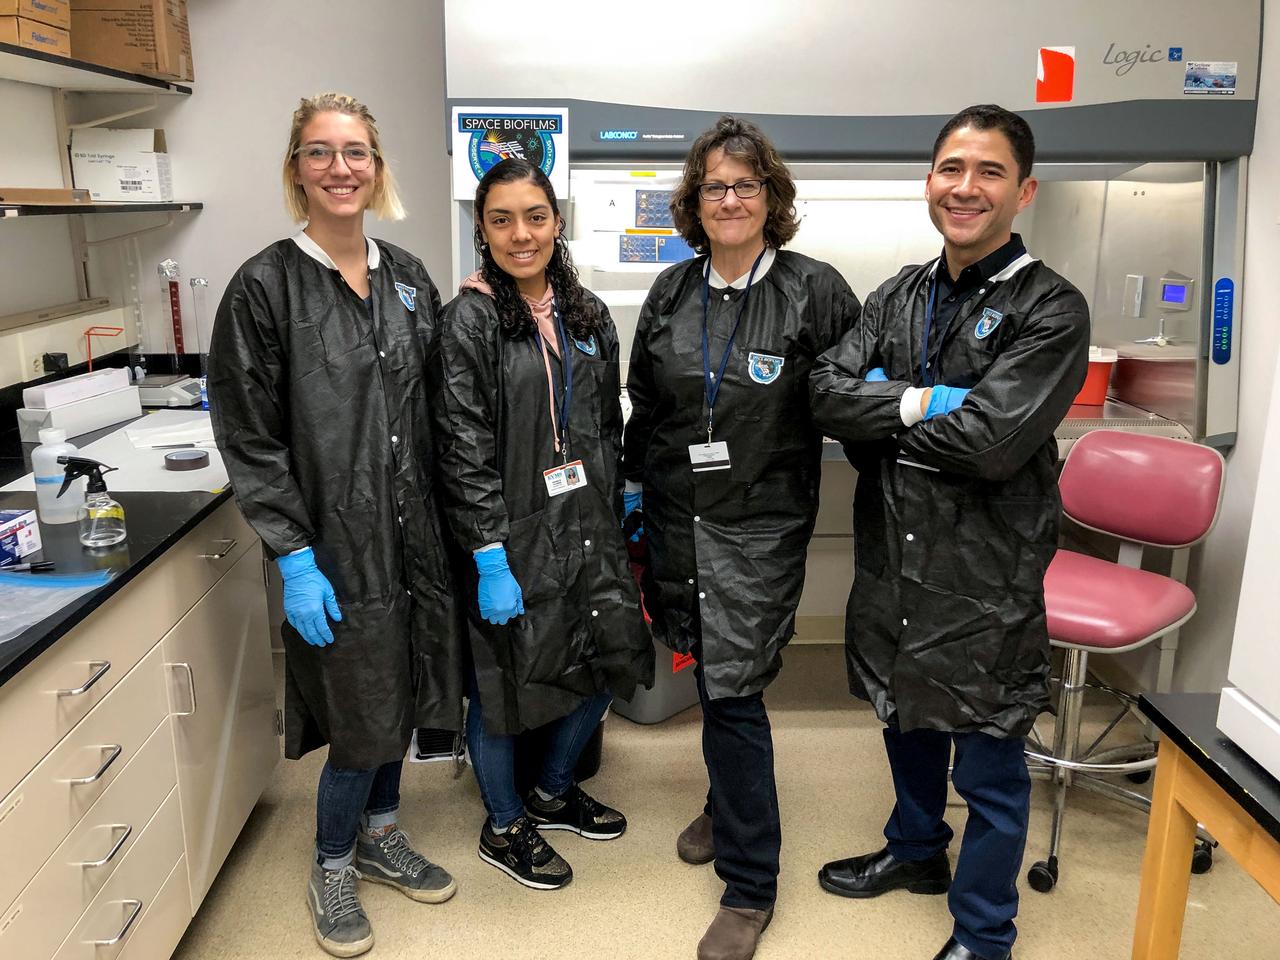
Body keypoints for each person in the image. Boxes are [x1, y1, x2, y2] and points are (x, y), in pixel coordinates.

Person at [809, 104, 1091, 960]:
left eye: (990, 172)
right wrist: (918, 401)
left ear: (1024, 190)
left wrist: (880, 415)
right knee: (906, 717)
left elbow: (995, 443)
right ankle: (916, 850)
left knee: (990, 757)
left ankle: (985, 932)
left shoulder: (1051, 309)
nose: (966, 188)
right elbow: (823, 392)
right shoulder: (899, 293)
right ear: (929, 180)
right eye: (952, 169)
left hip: (986, 571)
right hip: (895, 558)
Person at [208, 93, 462, 958]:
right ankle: (332, 861)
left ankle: (382, 833)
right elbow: (249, 434)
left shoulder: (410, 278)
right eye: (320, 153)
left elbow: (439, 400)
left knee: (405, 690)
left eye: (355, 152)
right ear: (297, 170)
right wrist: (295, 556)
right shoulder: (265, 286)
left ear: (377, 168)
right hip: (335, 543)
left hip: (414, 535)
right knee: (357, 715)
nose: (340, 169)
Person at [623, 116, 860, 960]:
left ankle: (750, 886)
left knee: (733, 693)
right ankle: (727, 808)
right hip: (680, 521)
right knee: (705, 670)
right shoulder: (671, 293)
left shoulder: (813, 290)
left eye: (746, 186)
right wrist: (628, 494)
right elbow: (648, 411)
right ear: (695, 201)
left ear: (772, 199)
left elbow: (855, 398)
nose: (730, 199)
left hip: (761, 528)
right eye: (715, 187)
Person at [433, 158, 654, 891]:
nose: (520, 234)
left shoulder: (585, 313)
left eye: (534, 216)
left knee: (603, 660)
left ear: (557, 223)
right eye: (501, 219)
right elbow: (461, 444)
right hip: (510, 532)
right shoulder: (468, 319)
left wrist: (623, 494)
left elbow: (603, 421)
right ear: (482, 229)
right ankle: (503, 824)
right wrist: (490, 555)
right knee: (502, 686)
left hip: (587, 523)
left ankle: (552, 792)